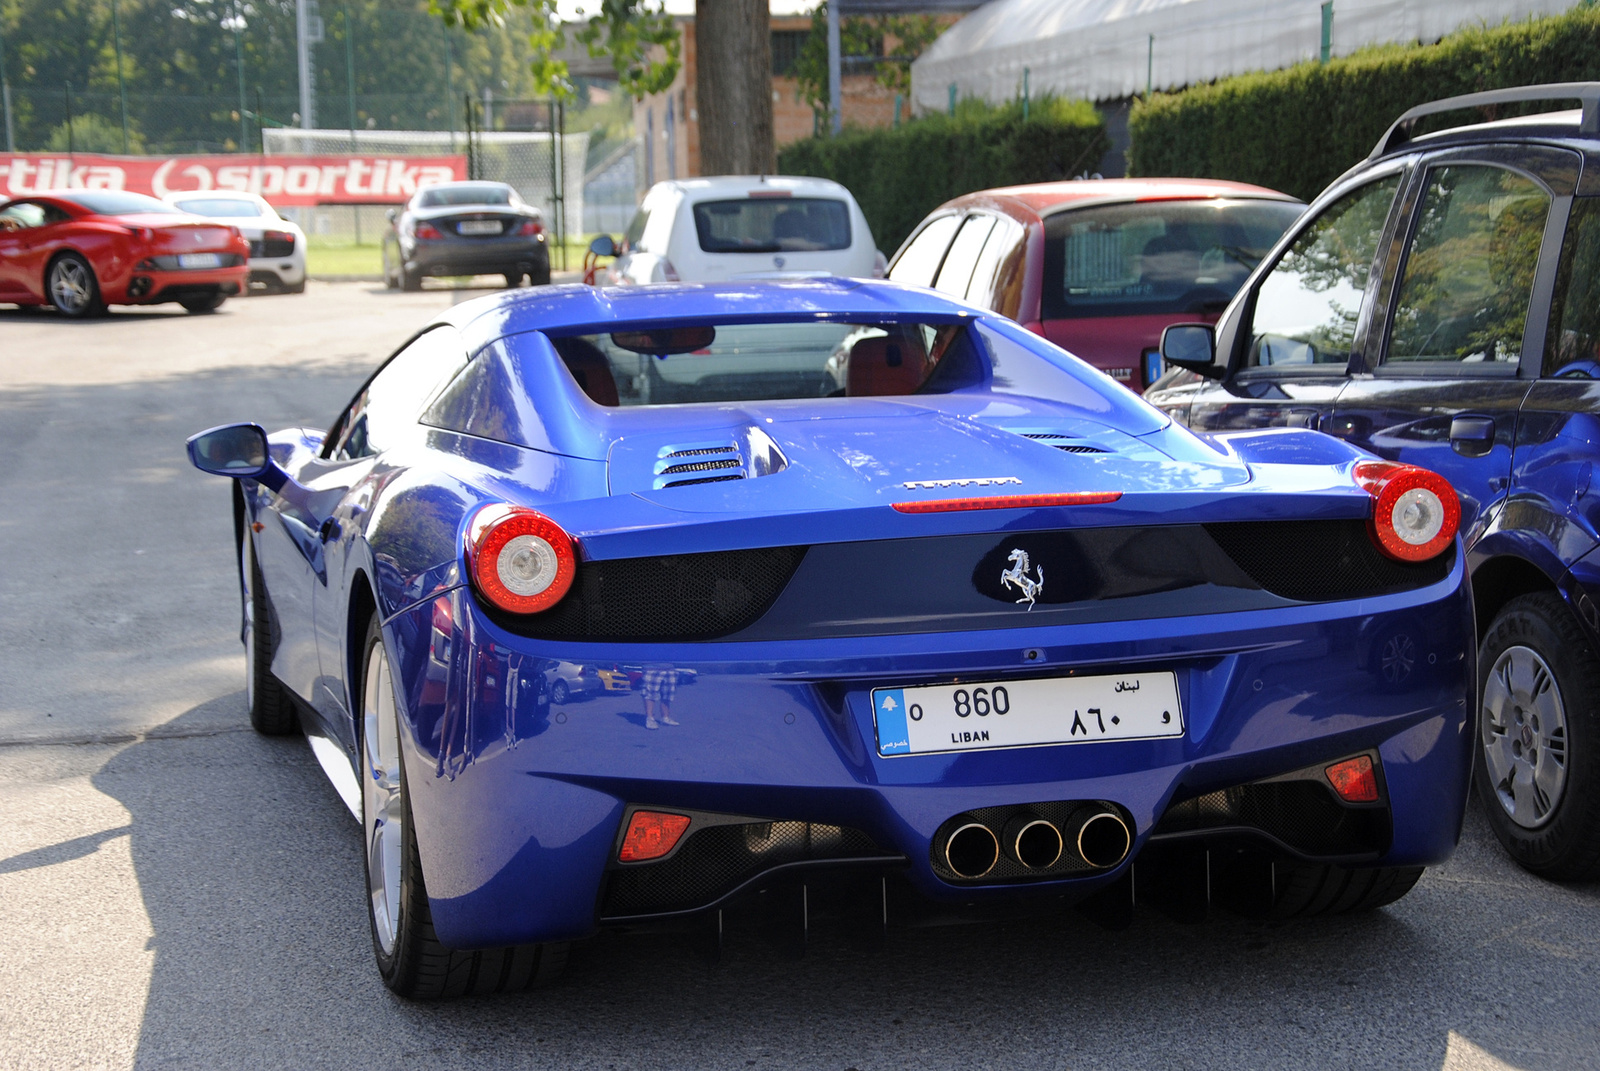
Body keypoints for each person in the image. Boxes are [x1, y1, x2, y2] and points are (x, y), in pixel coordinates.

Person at [641, 664, 678, 730]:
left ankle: (665, 717)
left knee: (668, 694)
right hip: (651, 668)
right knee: (650, 693)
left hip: (670, 668)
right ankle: (650, 719)